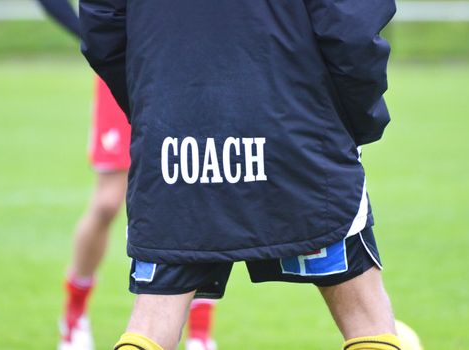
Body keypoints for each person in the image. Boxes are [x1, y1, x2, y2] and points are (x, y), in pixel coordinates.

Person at [80, 0, 401, 350]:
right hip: (298, 132)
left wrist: (156, 107)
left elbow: (102, 26)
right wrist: (354, 120)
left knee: (152, 319)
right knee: (367, 316)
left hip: (175, 143)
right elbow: (352, 28)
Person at [34, 1, 218, 349]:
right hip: (130, 65)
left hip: (195, 66)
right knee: (107, 202)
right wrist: (89, 33)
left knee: (200, 192)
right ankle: (74, 314)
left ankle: (201, 331)